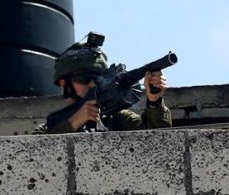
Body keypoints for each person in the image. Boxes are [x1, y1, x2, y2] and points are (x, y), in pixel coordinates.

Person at [33, 33, 172, 134]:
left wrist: (154, 102)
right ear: (65, 85)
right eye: (85, 79)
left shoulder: (120, 120)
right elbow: (33, 155)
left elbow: (160, 142)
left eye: (98, 78)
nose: (93, 85)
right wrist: (75, 122)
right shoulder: (49, 129)